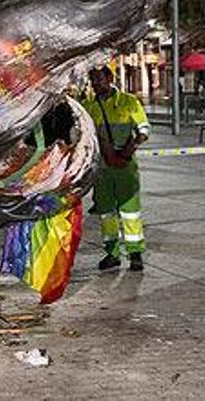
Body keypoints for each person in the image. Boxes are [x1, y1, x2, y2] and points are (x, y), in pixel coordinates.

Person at [86, 65, 150, 272]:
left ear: (110, 78)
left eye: (99, 80)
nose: (96, 85)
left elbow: (144, 129)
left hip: (125, 166)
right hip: (102, 170)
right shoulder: (89, 106)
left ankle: (135, 254)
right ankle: (111, 253)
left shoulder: (129, 102)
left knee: (130, 212)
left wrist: (129, 149)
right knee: (106, 213)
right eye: (93, 81)